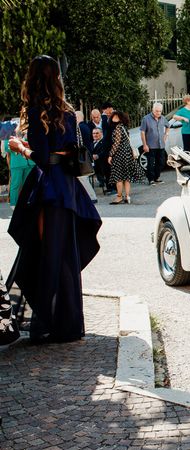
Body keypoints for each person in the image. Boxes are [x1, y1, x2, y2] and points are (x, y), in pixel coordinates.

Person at [7, 55, 102, 343]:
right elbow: (65, 152)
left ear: (33, 78)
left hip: (49, 189)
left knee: (46, 254)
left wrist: (19, 148)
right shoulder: (68, 112)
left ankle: (48, 322)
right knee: (63, 256)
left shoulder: (37, 112)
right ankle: (67, 323)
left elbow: (42, 158)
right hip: (68, 188)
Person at [107, 110, 146, 204]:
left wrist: (110, 155)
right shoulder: (124, 127)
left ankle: (119, 197)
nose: (113, 118)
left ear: (120, 118)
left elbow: (116, 143)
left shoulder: (117, 128)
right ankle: (127, 196)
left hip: (119, 154)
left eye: (115, 117)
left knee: (118, 176)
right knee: (126, 177)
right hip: (127, 153)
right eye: (113, 116)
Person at [3, 122, 35, 206]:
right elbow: (7, 148)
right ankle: (13, 204)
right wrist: (18, 145)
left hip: (29, 163)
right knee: (15, 185)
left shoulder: (28, 132)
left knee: (28, 185)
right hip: (17, 164)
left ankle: (27, 203)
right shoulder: (9, 134)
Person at [140, 102, 169, 185]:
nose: (158, 113)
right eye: (157, 111)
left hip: (161, 145)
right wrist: (144, 145)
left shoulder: (163, 118)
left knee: (161, 162)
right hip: (150, 145)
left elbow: (168, 126)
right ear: (152, 110)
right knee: (151, 163)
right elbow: (142, 132)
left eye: (160, 111)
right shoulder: (146, 119)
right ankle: (151, 179)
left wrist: (166, 135)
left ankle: (156, 178)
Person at [90, 127, 113, 194]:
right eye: (93, 133)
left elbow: (106, 152)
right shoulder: (92, 143)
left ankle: (110, 188)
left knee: (105, 169)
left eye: (97, 133)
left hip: (104, 163)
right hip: (95, 164)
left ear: (101, 133)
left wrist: (98, 156)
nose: (95, 135)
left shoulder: (104, 142)